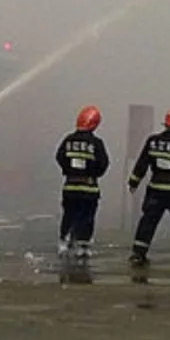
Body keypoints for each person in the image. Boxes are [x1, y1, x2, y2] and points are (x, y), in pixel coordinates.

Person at [127, 106, 170, 270]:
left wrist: (133, 182)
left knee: (148, 222)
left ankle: (139, 254)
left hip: (156, 188)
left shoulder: (153, 141)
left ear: (166, 124)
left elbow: (142, 163)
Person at [55, 105, 110, 259]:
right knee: (87, 217)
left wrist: (69, 171)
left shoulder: (68, 140)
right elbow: (104, 163)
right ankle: (83, 246)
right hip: (89, 188)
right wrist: (93, 174)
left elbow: (59, 157)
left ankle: (64, 241)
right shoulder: (96, 143)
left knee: (69, 214)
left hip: (70, 186)